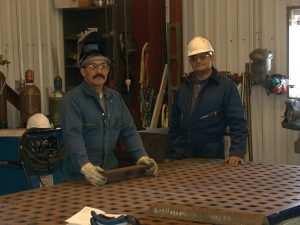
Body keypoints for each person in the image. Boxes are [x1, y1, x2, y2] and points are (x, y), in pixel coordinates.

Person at [60, 31, 158, 186]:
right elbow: (73, 136)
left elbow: (129, 130)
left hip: (109, 176)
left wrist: (141, 156)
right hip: (78, 179)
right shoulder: (72, 100)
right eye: (92, 66)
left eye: (103, 66)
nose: (99, 71)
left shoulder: (115, 98)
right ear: (83, 71)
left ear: (108, 69)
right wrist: (85, 167)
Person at [164, 36, 248, 165]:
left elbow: (238, 123)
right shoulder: (184, 87)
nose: (198, 61)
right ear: (190, 61)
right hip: (181, 157)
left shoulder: (226, 87)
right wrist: (169, 154)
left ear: (212, 57)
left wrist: (236, 152)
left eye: (203, 56)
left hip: (211, 158)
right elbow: (174, 124)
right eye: (193, 58)